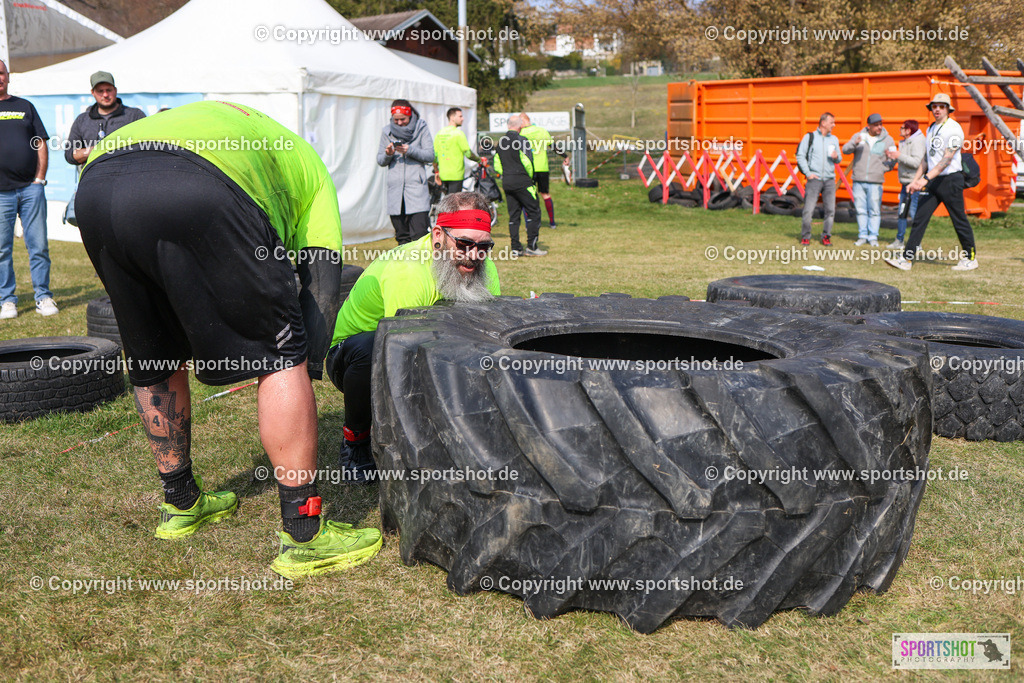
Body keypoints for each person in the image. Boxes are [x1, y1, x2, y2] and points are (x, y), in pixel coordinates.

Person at [75, 100, 382, 578]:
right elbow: (321, 284)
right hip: (201, 184)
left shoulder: (220, 126)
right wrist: (308, 360)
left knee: (151, 351)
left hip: (97, 185)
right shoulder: (310, 168)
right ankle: (304, 533)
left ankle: (181, 503)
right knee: (281, 355)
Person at [326, 191, 501, 482]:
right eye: (464, 244)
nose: (474, 256)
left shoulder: (484, 267)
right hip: (356, 356)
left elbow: (488, 334)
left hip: (430, 340)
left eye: (484, 247)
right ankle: (355, 442)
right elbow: (403, 354)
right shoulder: (408, 270)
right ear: (438, 236)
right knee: (370, 348)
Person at [885, 93, 979, 271]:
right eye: (934, 106)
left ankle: (970, 257)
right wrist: (915, 181)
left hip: (951, 179)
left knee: (958, 219)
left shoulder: (954, 128)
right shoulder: (930, 129)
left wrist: (925, 179)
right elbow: (926, 160)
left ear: (948, 109)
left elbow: (947, 159)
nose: (937, 109)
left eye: (941, 106)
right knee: (920, 218)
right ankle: (906, 259)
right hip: (934, 180)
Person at [0, 59, 56, 320]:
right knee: (2, 249)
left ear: (8, 76)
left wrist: (40, 178)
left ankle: (43, 296)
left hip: (31, 190)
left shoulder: (25, 107)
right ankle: (7, 300)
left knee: (38, 246)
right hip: (1, 194)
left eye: (1, 73)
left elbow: (39, 141)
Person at [378, 99, 433, 244]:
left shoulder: (421, 128)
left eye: (403, 119)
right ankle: (404, 266)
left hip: (417, 191)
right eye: (396, 120)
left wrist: (410, 150)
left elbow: (429, 155)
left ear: (410, 115)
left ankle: (421, 266)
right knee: (402, 237)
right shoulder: (386, 131)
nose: (400, 123)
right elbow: (380, 160)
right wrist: (388, 153)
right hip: (395, 193)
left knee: (419, 236)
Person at [64, 71, 146, 167]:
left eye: (108, 90)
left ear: (115, 90)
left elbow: (148, 146)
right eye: (100, 91)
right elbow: (70, 155)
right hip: (93, 178)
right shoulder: (82, 120)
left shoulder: (134, 116)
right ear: (92, 92)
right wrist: (97, 150)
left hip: (127, 176)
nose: (105, 95)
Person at [493, 114, 547, 256]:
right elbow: (528, 162)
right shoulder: (522, 140)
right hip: (523, 181)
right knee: (534, 212)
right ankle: (532, 247)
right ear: (520, 126)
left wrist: (507, 174)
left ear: (508, 125)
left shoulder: (501, 142)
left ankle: (516, 248)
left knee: (514, 216)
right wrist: (530, 178)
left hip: (507, 182)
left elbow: (497, 164)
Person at [842, 113, 896, 247]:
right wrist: (855, 143)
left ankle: (873, 237)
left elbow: (893, 160)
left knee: (875, 210)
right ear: (869, 126)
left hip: (876, 181)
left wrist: (883, 169)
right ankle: (862, 236)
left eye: (880, 124)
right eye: (876, 125)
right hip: (859, 180)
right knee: (860, 209)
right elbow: (845, 150)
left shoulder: (888, 140)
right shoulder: (859, 136)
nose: (879, 127)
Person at [795, 112, 843, 246]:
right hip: (814, 179)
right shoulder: (809, 137)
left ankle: (826, 236)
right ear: (823, 123)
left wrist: (836, 157)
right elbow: (800, 155)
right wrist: (808, 173)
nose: (834, 125)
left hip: (829, 180)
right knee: (808, 209)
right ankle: (805, 236)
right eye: (832, 122)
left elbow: (839, 158)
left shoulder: (834, 139)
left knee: (830, 210)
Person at [519, 113, 568, 229]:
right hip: (542, 168)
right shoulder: (542, 131)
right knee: (545, 194)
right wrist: (565, 156)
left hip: (528, 169)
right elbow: (554, 147)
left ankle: (529, 223)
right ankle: (552, 223)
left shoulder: (521, 133)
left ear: (522, 122)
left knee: (528, 196)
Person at [885, 120, 926, 250]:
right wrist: (893, 157)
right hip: (904, 183)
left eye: (902, 128)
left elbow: (916, 162)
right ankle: (899, 240)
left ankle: (916, 243)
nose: (900, 130)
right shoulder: (903, 142)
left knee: (914, 213)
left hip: (915, 183)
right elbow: (903, 159)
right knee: (902, 212)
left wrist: (899, 155)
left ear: (908, 130)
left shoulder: (918, 141)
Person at [433, 107, 480, 194]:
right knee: (454, 203)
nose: (463, 119)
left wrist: (436, 171)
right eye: (460, 116)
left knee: (447, 202)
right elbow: (468, 154)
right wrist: (479, 160)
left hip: (443, 175)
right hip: (456, 175)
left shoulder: (439, 133)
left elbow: (434, 156)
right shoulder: (458, 134)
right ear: (452, 117)